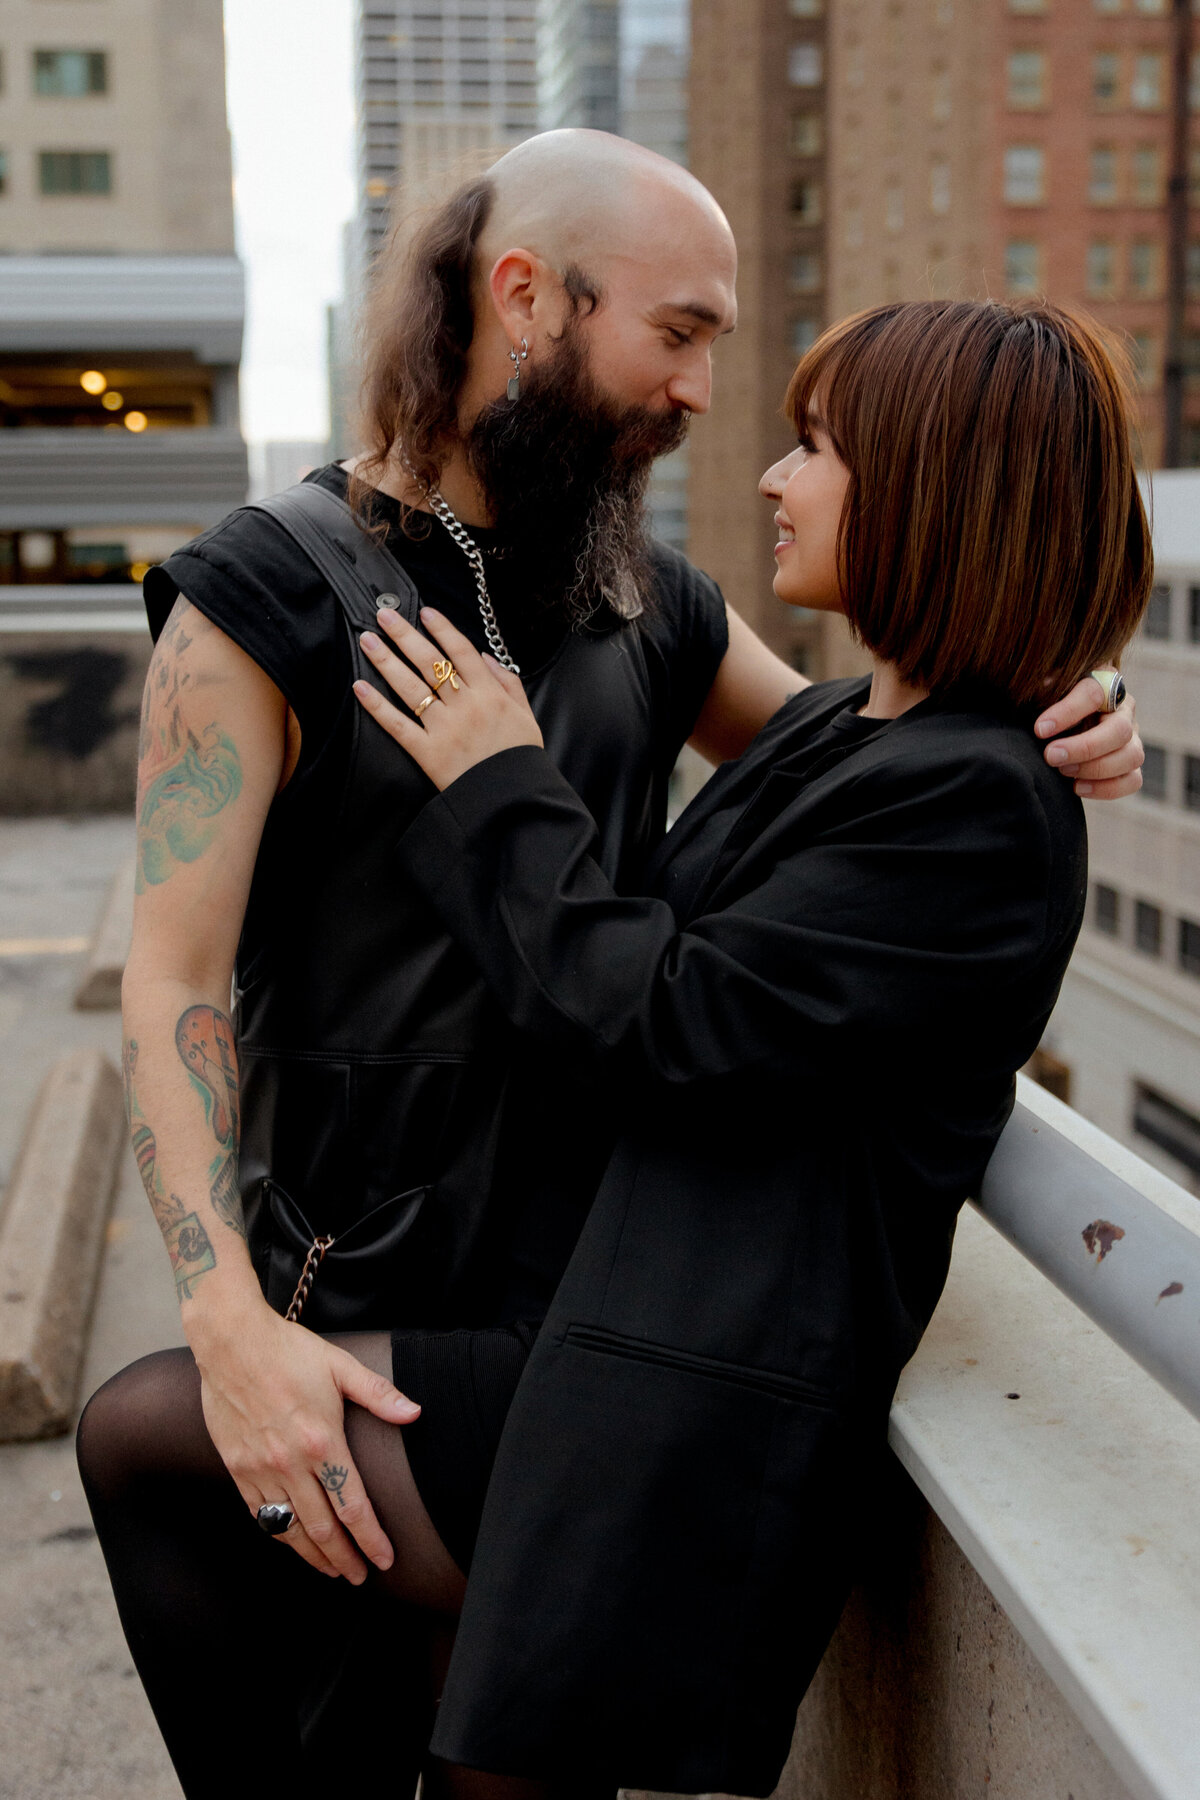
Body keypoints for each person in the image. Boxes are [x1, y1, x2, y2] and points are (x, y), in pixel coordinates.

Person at [77, 127, 1141, 1795]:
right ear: (527, 298)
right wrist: (223, 1320)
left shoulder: (656, 601)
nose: (710, 395)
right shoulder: (266, 594)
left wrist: (1066, 705)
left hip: (589, 1302)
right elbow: (169, 979)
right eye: (683, 332)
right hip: (345, 1281)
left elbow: (869, 784)